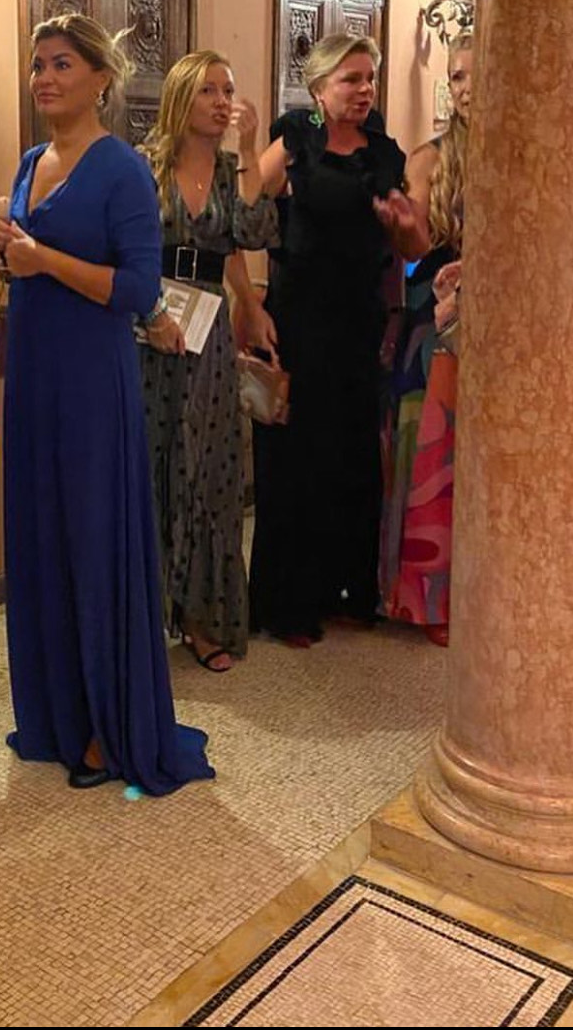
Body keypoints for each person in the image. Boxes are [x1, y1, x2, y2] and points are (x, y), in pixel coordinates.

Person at [0, 13, 213, 794]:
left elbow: (139, 287)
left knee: (90, 534)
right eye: (37, 65)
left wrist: (40, 258)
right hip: (35, 371)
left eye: (61, 64)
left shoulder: (120, 168)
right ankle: (57, 712)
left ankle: (104, 724)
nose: (45, 78)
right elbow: (25, 263)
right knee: (43, 531)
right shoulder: (31, 161)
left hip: (91, 375)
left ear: (100, 79)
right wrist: (5, 255)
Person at [248, 33, 426, 647]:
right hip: (299, 319)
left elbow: (412, 245)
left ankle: (345, 592)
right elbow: (247, 207)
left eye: (369, 78)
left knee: (351, 458)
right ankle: (289, 603)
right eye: (351, 78)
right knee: (299, 459)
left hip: (359, 322)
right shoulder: (296, 139)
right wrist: (249, 298)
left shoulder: (384, 152)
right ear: (320, 88)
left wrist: (403, 225)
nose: (364, 89)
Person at [139, 51, 278, 671]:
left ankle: (202, 620)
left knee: (209, 469)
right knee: (153, 464)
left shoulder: (228, 171)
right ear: (181, 97)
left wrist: (250, 150)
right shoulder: (145, 166)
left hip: (209, 328)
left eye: (229, 90)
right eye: (209, 91)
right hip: (150, 324)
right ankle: (145, 615)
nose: (223, 102)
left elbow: (249, 235)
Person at [379, 34, 471, 645]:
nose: (466, 88)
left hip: (506, 326)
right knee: (434, 461)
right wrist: (405, 226)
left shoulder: (528, 148)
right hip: (434, 324)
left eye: (476, 74)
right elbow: (413, 248)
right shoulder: (429, 158)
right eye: (456, 76)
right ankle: (429, 600)